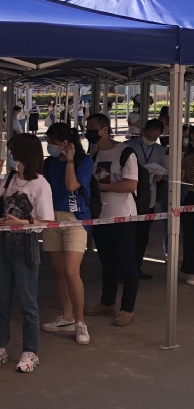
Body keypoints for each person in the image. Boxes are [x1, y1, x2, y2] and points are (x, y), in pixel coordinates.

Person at [0, 133, 54, 372]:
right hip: (5, 242)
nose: (10, 156)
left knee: (27, 301)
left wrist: (20, 223)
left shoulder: (41, 184)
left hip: (26, 244)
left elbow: (45, 222)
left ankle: (30, 351)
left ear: (24, 154)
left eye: (13, 152)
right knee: (1, 299)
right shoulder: (11, 178)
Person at [84, 113, 139, 326]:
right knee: (107, 262)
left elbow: (130, 185)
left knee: (127, 264)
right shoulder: (94, 155)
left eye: (93, 127)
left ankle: (127, 308)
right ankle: (107, 303)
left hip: (123, 215)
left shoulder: (125, 152)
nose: (89, 131)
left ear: (105, 129)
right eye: (87, 127)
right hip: (101, 217)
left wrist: (102, 187)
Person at [41, 123, 93, 346]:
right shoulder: (49, 163)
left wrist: (70, 160)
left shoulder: (83, 161)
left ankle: (80, 322)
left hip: (75, 219)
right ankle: (67, 316)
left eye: (52, 142)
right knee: (60, 271)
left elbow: (71, 185)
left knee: (72, 271)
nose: (49, 146)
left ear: (65, 143)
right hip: (52, 218)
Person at [124, 119, 168, 280]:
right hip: (129, 195)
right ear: (143, 131)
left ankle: (136, 267)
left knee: (142, 236)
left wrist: (158, 176)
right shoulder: (128, 146)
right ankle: (124, 269)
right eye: (149, 136)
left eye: (155, 137)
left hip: (149, 196)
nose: (151, 139)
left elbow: (162, 171)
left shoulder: (160, 150)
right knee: (127, 235)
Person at [179, 132, 194, 285]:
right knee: (190, 237)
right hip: (192, 196)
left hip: (191, 195)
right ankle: (191, 271)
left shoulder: (187, 157)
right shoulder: (188, 157)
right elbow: (182, 177)